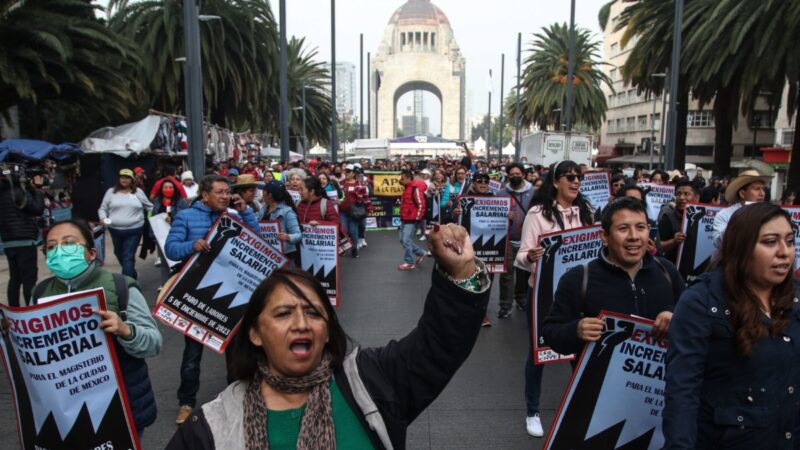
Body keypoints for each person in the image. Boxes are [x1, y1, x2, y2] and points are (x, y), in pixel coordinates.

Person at [166, 223, 492, 450]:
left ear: (326, 331)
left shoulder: (371, 382)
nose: (301, 324)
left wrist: (460, 271)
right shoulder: (208, 428)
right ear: (254, 333)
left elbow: (439, 345)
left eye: (313, 313)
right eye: (283, 313)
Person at [663, 203, 799, 448]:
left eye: (790, 241)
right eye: (770, 242)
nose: (784, 252)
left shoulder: (796, 296)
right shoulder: (700, 303)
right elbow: (682, 392)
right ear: (741, 247)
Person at [33, 219, 162, 436]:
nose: (59, 251)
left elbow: (153, 344)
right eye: (52, 247)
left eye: (68, 243)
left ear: (92, 253)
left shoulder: (121, 286)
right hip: (67, 411)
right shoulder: (41, 293)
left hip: (120, 407)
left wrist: (125, 331)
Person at [165, 174, 260, 425]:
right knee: (192, 353)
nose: (225, 196)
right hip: (196, 293)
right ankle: (186, 402)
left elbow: (256, 241)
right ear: (204, 195)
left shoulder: (233, 216)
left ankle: (236, 396)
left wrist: (245, 212)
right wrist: (192, 246)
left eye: (227, 192)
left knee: (234, 349)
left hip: (228, 291)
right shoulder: (185, 216)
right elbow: (170, 249)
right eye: (219, 192)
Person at [542, 197, 685, 356]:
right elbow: (551, 333)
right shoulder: (578, 279)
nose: (633, 236)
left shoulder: (667, 271)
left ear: (649, 230)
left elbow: (696, 320)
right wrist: (576, 330)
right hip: (597, 380)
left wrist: (675, 314)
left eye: (640, 227)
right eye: (623, 228)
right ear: (604, 236)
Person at [514, 160, 595, 437]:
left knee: (582, 352)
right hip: (544, 295)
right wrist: (531, 256)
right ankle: (533, 411)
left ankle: (583, 407)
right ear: (556, 181)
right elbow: (521, 255)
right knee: (539, 353)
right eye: (569, 177)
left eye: (579, 177)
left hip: (579, 296)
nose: (575, 182)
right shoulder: (538, 213)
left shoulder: (587, 211)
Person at [0, 169, 45, 306]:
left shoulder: (1, 194)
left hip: (8, 242)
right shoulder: (19, 193)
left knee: (15, 278)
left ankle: (14, 310)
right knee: (29, 279)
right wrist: (37, 189)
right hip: (25, 241)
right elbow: (38, 209)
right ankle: (31, 310)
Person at [98, 168, 153, 279]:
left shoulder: (138, 192)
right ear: (118, 179)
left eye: (128, 178)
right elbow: (102, 208)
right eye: (122, 177)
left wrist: (150, 219)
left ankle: (128, 284)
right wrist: (103, 218)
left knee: (128, 256)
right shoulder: (111, 192)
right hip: (115, 229)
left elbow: (150, 207)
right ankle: (132, 273)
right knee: (118, 253)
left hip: (134, 229)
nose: (124, 180)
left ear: (132, 180)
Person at [498, 163, 536, 319]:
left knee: (523, 272)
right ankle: (505, 305)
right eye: (512, 174)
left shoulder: (535, 192)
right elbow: (492, 217)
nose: (515, 176)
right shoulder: (501, 194)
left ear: (524, 174)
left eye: (517, 173)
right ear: (508, 176)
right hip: (507, 241)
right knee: (506, 274)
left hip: (527, 240)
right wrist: (503, 216)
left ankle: (521, 299)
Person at [712, 169, 771, 249]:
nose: (762, 194)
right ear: (742, 193)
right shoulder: (725, 214)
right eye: (757, 189)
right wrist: (740, 220)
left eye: (763, 189)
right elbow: (718, 243)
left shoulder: (768, 214)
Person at [260, 180, 302, 267]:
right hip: (266, 255)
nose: (262, 194)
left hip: (284, 257)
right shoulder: (263, 209)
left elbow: (298, 235)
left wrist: (288, 237)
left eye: (264, 191)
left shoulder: (287, 212)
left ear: (269, 195)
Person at [656, 181, 700, 262]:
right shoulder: (667, 217)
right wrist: (673, 241)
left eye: (686, 194)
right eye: (678, 194)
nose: (681, 198)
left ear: (697, 198)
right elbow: (659, 246)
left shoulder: (703, 218)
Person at [398, 170, 428, 271]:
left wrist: (417, 218)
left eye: (402, 179)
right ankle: (421, 252)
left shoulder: (414, 188)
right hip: (405, 219)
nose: (400, 180)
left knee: (406, 241)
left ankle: (409, 262)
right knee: (403, 240)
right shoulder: (407, 188)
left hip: (411, 220)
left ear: (408, 178)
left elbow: (421, 204)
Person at [339, 164, 370, 258]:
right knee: (344, 230)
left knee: (353, 232)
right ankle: (343, 248)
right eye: (345, 171)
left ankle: (354, 249)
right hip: (343, 211)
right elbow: (337, 195)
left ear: (353, 173)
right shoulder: (341, 183)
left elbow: (365, 197)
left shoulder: (359, 184)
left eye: (348, 172)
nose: (346, 173)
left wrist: (368, 208)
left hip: (354, 212)